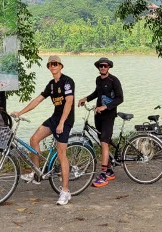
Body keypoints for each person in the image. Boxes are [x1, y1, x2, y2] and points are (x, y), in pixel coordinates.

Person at [11, 55, 75, 206]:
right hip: (54, 118)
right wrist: (20, 112)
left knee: (61, 154)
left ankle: (65, 191)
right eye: (50, 65)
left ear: (61, 66)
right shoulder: (51, 85)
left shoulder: (67, 82)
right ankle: (36, 173)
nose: (52, 66)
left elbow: (69, 102)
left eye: (55, 64)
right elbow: (38, 100)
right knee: (34, 139)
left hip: (64, 121)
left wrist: (61, 123)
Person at [78, 57, 124, 188]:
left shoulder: (114, 81)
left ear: (109, 67)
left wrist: (105, 107)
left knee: (104, 142)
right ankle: (109, 170)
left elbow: (120, 98)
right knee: (102, 142)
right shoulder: (98, 80)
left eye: (105, 66)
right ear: (98, 68)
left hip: (109, 116)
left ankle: (103, 175)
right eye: (100, 66)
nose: (103, 68)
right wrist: (85, 99)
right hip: (98, 115)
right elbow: (96, 93)